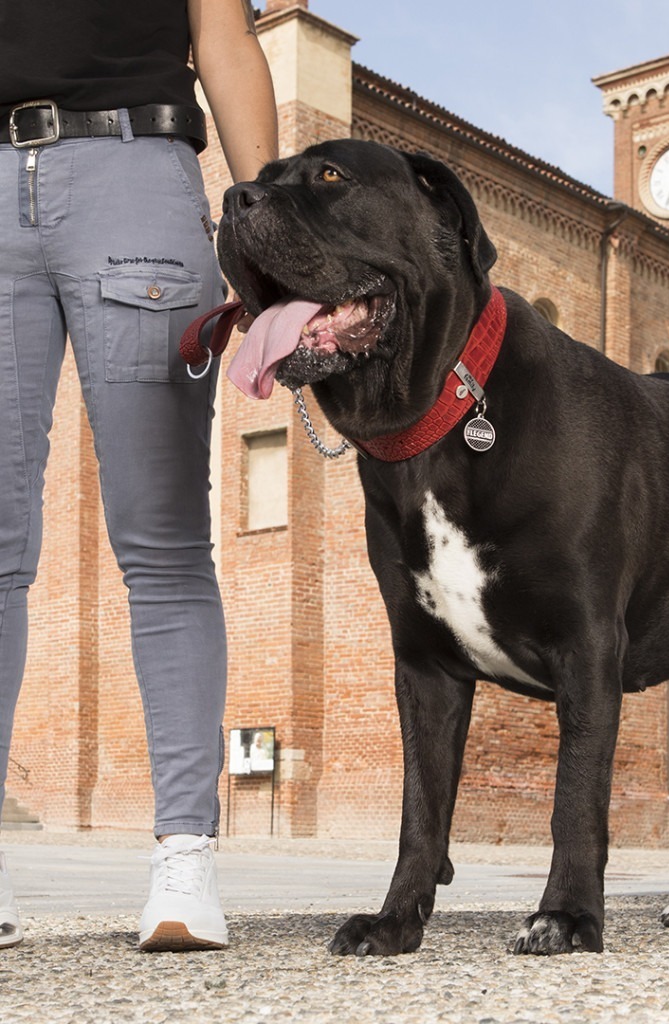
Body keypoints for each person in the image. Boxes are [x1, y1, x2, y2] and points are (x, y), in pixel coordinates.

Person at [0, 0, 277, 951]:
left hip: (133, 173)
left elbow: (224, 37)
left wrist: (267, 234)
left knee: (161, 542)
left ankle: (184, 857)